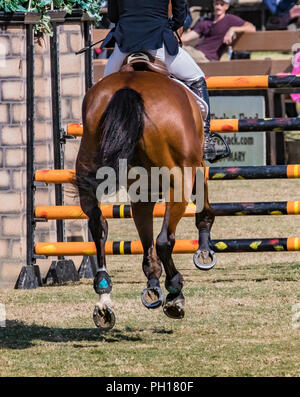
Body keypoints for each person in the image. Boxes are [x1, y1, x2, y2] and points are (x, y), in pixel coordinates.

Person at [100, 0, 230, 163]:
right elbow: (180, 12)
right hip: (158, 42)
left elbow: (113, 15)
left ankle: (100, 138)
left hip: (126, 43)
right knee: (197, 77)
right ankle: (207, 138)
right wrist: (171, 25)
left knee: (103, 88)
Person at [181, 0, 256, 62]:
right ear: (213, 4)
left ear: (227, 7)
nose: (218, 7)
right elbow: (186, 38)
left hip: (208, 58)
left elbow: (251, 28)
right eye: (216, 3)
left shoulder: (230, 19)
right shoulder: (206, 21)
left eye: (221, 4)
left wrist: (232, 29)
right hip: (196, 53)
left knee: (179, 52)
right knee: (177, 50)